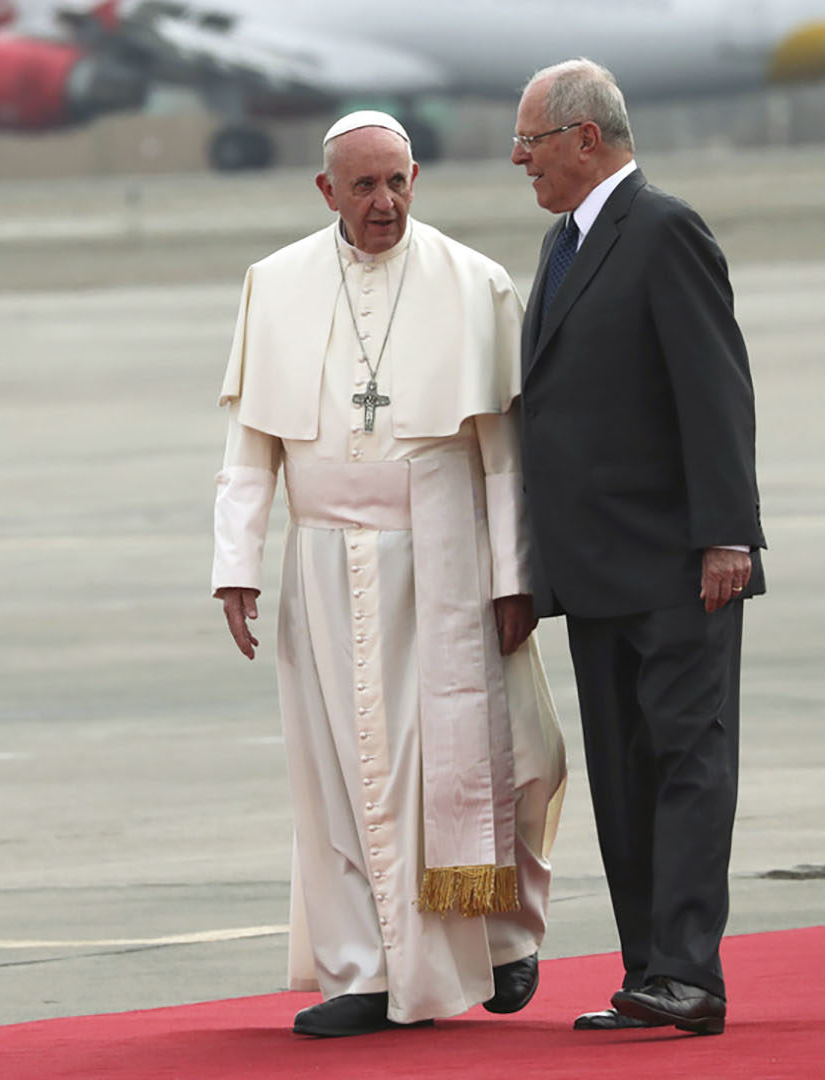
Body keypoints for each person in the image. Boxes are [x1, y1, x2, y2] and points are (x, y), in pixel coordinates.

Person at [211, 110, 567, 1039]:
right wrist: (235, 565)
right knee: (337, 771)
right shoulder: (276, 284)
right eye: (364, 186)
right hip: (322, 562)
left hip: (442, 555)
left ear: (419, 181)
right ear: (327, 192)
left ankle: (501, 939)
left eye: (399, 182)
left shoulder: (472, 282)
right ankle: (364, 971)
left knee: (504, 760)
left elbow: (504, 456)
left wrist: (514, 575)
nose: (385, 202)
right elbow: (251, 447)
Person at [510, 60, 766, 1037]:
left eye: (529, 141)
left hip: (677, 565)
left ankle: (691, 972)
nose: (519, 160)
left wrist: (726, 536)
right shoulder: (563, 242)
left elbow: (715, 392)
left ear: (585, 137)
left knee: (686, 761)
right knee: (621, 775)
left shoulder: (663, 231)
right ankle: (649, 970)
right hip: (595, 572)